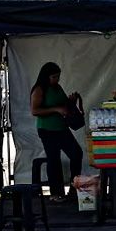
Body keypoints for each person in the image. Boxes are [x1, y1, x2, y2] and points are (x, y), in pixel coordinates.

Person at [30, 62, 83, 202]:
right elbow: (35, 110)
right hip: (47, 129)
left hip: (61, 128)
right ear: (46, 77)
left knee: (76, 153)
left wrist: (71, 101)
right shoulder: (39, 89)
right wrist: (55, 109)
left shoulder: (57, 87)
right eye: (54, 77)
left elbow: (64, 105)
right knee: (54, 160)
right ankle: (55, 193)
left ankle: (74, 187)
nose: (56, 80)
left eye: (58, 77)